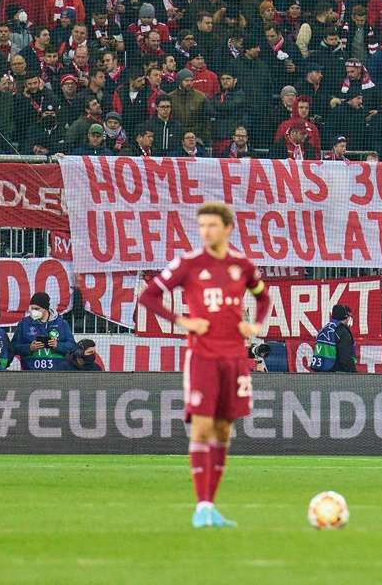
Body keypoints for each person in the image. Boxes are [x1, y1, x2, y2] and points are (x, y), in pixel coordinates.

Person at [137, 203, 272, 529]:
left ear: (227, 228)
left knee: (225, 429)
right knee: (201, 427)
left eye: (212, 225)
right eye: (202, 226)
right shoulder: (189, 263)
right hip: (202, 356)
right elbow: (150, 296)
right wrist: (182, 320)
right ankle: (202, 506)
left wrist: (255, 327)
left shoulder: (242, 265)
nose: (206, 231)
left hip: (235, 357)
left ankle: (211, 507)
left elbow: (263, 297)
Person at [11, 291, 77, 371]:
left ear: (46, 308)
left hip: (57, 373)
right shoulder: (24, 323)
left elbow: (72, 346)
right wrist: (29, 348)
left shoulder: (62, 323)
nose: (33, 311)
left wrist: (58, 345)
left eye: (37, 309)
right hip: (31, 372)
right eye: (32, 308)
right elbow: (13, 347)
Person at [311, 304, 356, 372]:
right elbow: (345, 358)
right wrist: (353, 373)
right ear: (345, 316)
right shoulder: (342, 331)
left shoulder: (324, 329)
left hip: (318, 370)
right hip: (334, 373)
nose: (349, 319)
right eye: (349, 316)